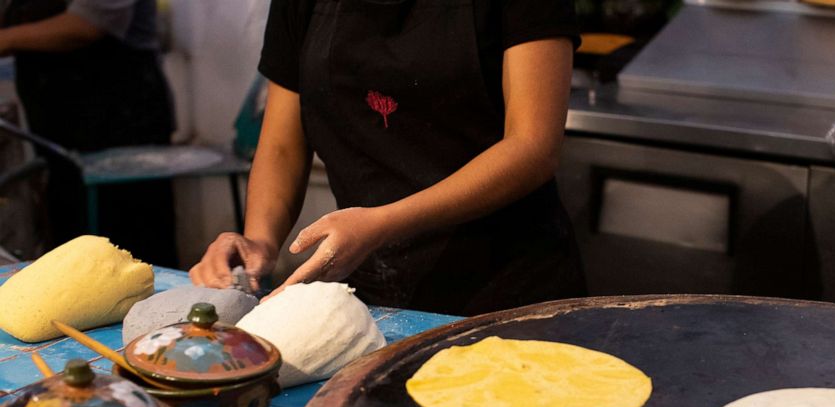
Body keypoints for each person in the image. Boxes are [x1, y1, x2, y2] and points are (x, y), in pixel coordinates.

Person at [190, 0, 586, 315]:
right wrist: (260, 240)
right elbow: (281, 145)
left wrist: (382, 223)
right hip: (375, 301)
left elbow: (532, 146)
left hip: (508, 289)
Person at [0, 0, 178, 266]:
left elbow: (87, 25)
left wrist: (4, 39)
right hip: (61, 129)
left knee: (133, 253)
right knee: (76, 250)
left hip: (121, 124)